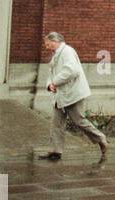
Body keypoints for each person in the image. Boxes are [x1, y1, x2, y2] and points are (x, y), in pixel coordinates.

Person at [42, 32, 108, 162]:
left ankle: (101, 139)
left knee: (79, 121)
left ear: (55, 41)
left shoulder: (67, 52)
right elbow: (51, 73)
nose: (46, 46)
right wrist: (50, 84)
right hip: (60, 94)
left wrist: (55, 82)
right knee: (56, 123)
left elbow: (72, 71)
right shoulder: (56, 55)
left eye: (47, 43)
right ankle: (55, 152)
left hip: (73, 94)